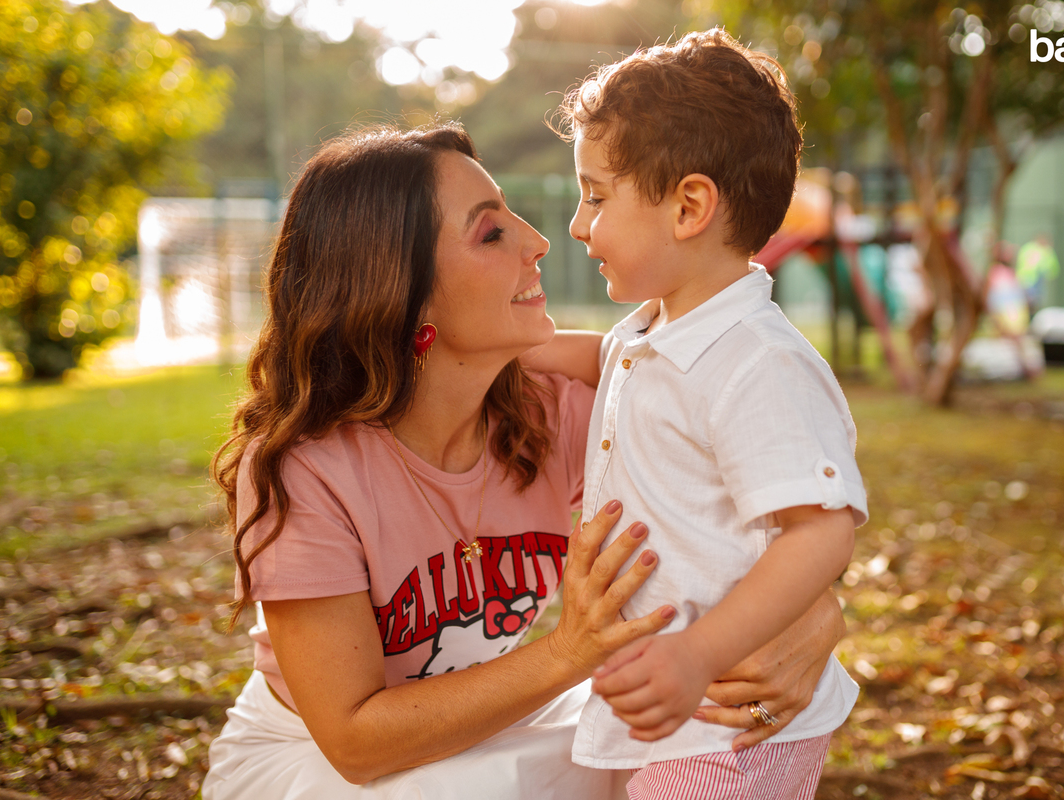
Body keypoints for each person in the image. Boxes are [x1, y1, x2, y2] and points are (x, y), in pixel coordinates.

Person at [201, 122, 849, 799]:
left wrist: (815, 615)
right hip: (320, 759)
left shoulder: (553, 413)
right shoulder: (308, 469)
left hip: (504, 720)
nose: (540, 241)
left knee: (681, 728)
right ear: (399, 290)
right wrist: (571, 651)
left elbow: (775, 459)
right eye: (490, 233)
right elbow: (356, 743)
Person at [547, 30, 869, 799]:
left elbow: (822, 530)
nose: (578, 224)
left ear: (690, 205)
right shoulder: (660, 326)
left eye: (596, 195)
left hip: (731, 724)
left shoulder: (760, 362)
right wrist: (517, 352)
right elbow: (615, 365)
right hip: (660, 709)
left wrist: (697, 656)